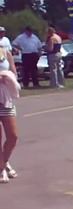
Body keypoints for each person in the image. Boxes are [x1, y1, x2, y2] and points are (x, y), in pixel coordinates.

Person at [0, 45, 19, 183]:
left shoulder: (5, 52)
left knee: (13, 136)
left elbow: (13, 71)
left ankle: (3, 162)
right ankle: (1, 169)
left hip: (5, 98)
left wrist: (10, 78)